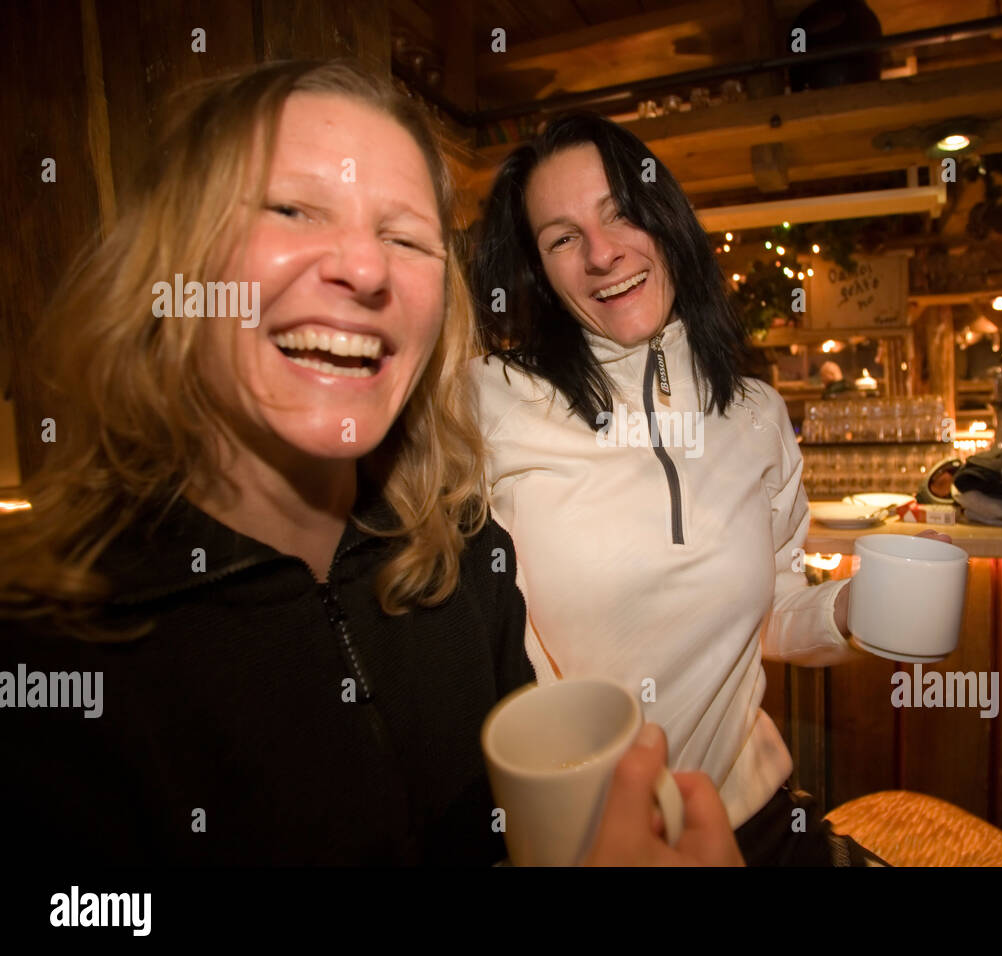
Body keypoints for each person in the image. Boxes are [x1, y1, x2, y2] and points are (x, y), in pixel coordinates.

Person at [0, 61, 740, 867]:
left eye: (404, 236)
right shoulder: (46, 658)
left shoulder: (466, 557)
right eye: (290, 209)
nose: (364, 267)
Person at [472, 112, 925, 865]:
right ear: (539, 273)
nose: (601, 253)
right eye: (561, 238)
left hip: (754, 823)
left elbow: (770, 611)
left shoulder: (755, 412)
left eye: (619, 212)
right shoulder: (488, 400)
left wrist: (851, 606)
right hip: (583, 844)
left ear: (665, 218)